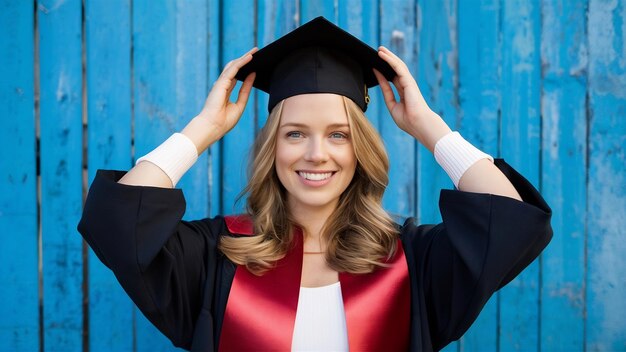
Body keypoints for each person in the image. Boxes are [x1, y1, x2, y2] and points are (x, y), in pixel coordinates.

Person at [78, 17, 552, 352]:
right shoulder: (214, 257)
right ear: (273, 148)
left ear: (359, 149)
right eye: (295, 134)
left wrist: (430, 127)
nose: (316, 154)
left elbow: (506, 221)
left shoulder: (413, 261)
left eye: (338, 135)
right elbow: (119, 223)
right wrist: (201, 129)